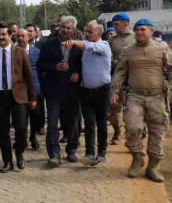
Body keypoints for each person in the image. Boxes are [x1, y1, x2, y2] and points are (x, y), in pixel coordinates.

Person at [109, 18, 172, 183]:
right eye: (137, 30)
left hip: (157, 97)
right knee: (133, 128)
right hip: (134, 96)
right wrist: (114, 90)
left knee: (158, 132)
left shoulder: (162, 47)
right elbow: (120, 72)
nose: (139, 32)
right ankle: (137, 159)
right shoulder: (127, 50)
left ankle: (153, 167)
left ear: (151, 30)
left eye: (143, 29)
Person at [0, 24, 36, 172]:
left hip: (18, 96)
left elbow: (29, 76)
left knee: (20, 129)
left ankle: (19, 152)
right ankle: (7, 161)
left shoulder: (20, 52)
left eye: (3, 34)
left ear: (10, 35)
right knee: (3, 131)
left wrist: (32, 98)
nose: (0, 37)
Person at [38, 15, 83, 167]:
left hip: (72, 89)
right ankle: (54, 155)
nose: (65, 30)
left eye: (68, 28)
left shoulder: (79, 46)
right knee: (52, 123)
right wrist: (54, 67)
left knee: (73, 122)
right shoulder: (48, 44)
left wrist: (79, 74)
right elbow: (41, 65)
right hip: (53, 90)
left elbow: (84, 64)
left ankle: (71, 150)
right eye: (63, 27)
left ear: (73, 30)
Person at [68, 20, 112, 166]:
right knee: (89, 122)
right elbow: (84, 66)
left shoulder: (103, 46)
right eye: (85, 31)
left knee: (101, 122)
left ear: (98, 34)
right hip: (86, 90)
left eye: (89, 32)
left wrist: (73, 42)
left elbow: (89, 45)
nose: (86, 34)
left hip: (102, 91)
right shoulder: (86, 49)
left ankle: (102, 152)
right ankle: (89, 153)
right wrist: (78, 74)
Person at [108, 12, 135, 145]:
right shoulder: (112, 41)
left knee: (133, 110)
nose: (114, 27)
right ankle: (118, 130)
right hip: (117, 79)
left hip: (134, 79)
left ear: (126, 23)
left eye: (116, 24)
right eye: (113, 25)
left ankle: (137, 134)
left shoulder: (136, 38)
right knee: (113, 109)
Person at [21, 26, 44, 150]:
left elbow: (41, 70)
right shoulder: (14, 51)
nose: (21, 38)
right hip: (19, 89)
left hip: (35, 88)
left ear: (28, 37)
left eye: (23, 36)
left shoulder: (37, 52)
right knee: (21, 117)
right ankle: (22, 139)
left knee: (35, 115)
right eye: (18, 36)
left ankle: (33, 137)